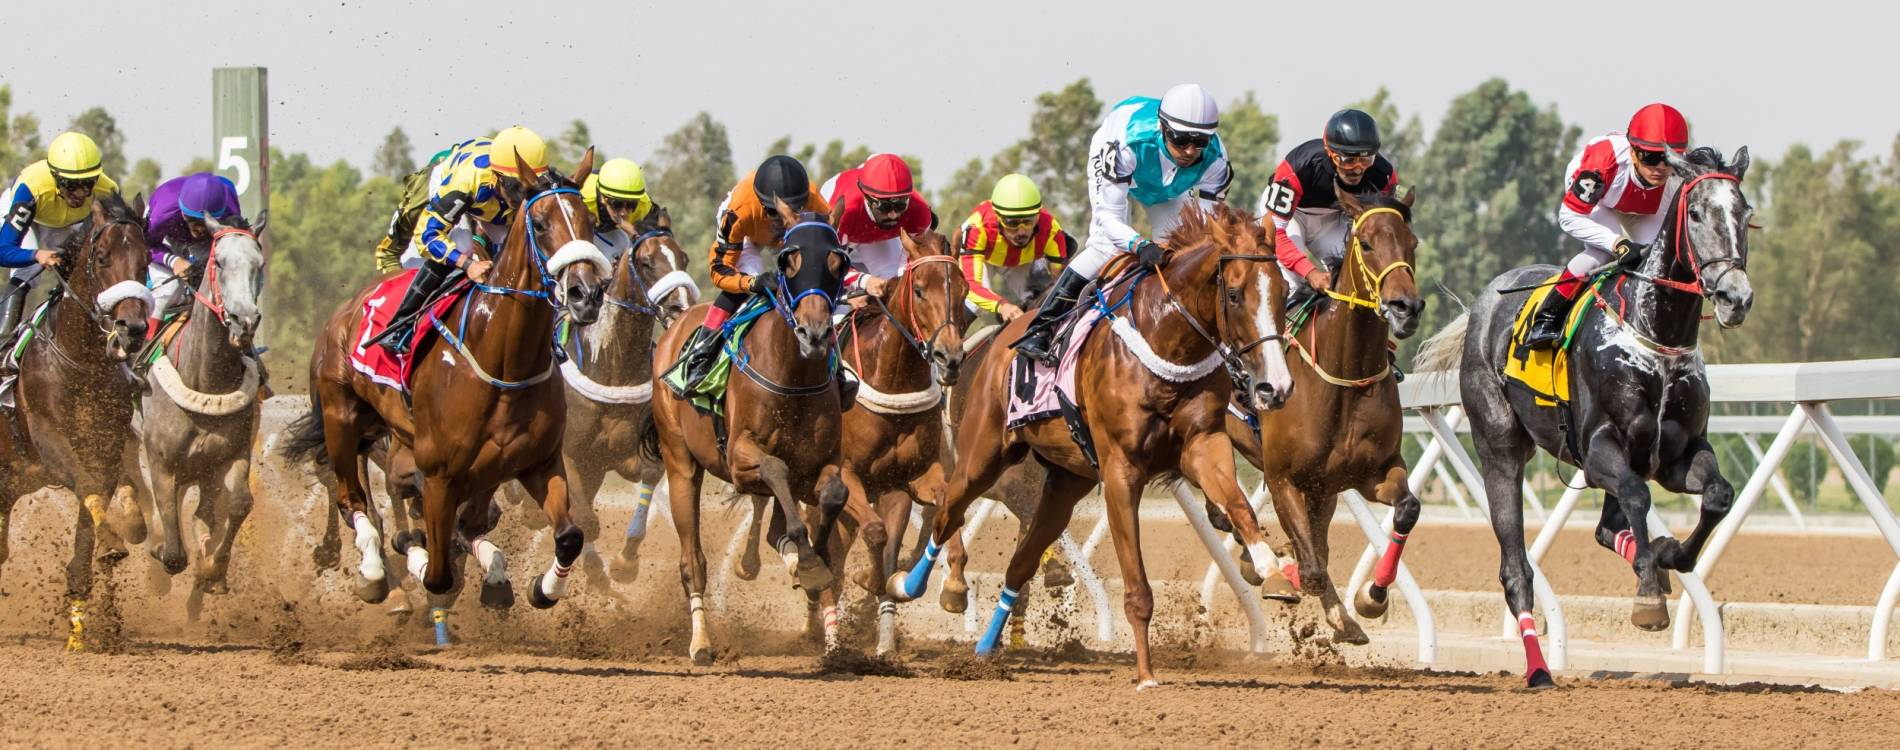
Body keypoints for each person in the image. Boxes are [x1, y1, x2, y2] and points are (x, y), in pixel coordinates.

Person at [1013, 83, 1232, 364]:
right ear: (1164, 128)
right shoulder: (1127, 145)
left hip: (1167, 185)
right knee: (1106, 247)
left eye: (1199, 142)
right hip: (1124, 158)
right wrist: (1140, 245)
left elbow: (1204, 231)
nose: (1190, 151)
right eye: (1180, 139)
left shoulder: (1216, 160)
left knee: (1182, 250)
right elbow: (1108, 218)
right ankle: (1041, 327)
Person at [1523, 103, 1690, 349]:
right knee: (1601, 253)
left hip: (1640, 205)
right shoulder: (1602, 163)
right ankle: (1546, 317)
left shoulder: (1677, 176)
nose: (1661, 167)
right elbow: (1568, 217)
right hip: (1601, 197)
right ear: (1633, 153)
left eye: (1668, 158)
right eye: (1652, 157)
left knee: (1656, 258)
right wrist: (1617, 242)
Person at [376, 126, 549, 355]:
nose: (521, 198)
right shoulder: (466, 182)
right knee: (461, 246)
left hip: (494, 204)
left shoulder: (542, 181)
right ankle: (400, 325)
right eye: (515, 187)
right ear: (497, 177)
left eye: (528, 188)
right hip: (461, 186)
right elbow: (426, 236)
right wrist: (469, 265)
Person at [669, 155, 833, 389]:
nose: (783, 219)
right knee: (748, 284)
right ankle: (702, 351)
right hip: (747, 236)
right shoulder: (738, 211)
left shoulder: (817, 204)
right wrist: (751, 282)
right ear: (761, 203)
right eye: (773, 212)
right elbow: (720, 271)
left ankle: (837, 368)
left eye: (793, 210)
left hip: (797, 238)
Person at [1259, 109, 1401, 310]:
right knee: (1293, 283)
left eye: (1365, 159)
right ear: (1330, 152)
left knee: (1352, 279)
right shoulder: (1299, 166)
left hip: (1332, 220)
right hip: (1290, 218)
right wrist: (1310, 272)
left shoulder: (1384, 176)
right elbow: (1277, 233)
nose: (1358, 168)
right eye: (1348, 160)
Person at [0, 132, 121, 337]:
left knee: (80, 268)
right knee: (27, 272)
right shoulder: (30, 188)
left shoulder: (108, 190)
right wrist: (36, 255)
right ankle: (3, 340)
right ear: (55, 178)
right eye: (72, 185)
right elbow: (3, 250)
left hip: (65, 223)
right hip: (31, 216)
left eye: (88, 183)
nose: (81, 193)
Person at [958, 173, 1073, 322]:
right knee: (973, 303)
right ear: (998, 218)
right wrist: (1002, 306)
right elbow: (971, 285)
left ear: (1038, 216)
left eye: (1028, 221)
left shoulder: (1051, 229)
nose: (1021, 231)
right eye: (1012, 223)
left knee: (1043, 298)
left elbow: (1060, 281)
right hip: (984, 260)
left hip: (1021, 263)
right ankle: (947, 343)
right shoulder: (977, 227)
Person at [821, 153, 934, 299]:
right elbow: (828, 264)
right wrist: (864, 281)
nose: (893, 215)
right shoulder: (845, 211)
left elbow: (910, 260)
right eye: (884, 207)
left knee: (893, 287)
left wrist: (898, 280)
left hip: (876, 235)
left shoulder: (919, 211)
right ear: (867, 198)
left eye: (900, 205)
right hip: (843, 234)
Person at [146, 172, 241, 309]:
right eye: (194, 220)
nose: (200, 229)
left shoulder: (230, 208)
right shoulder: (162, 214)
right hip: (166, 237)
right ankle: (149, 330)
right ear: (183, 212)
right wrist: (173, 261)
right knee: (168, 291)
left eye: (208, 222)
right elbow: (145, 245)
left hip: (209, 240)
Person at [579, 157, 658, 261]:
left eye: (631, 205)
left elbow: (656, 248)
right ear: (603, 198)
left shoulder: (644, 206)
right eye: (617, 204)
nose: (623, 213)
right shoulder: (583, 198)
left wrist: (633, 232)